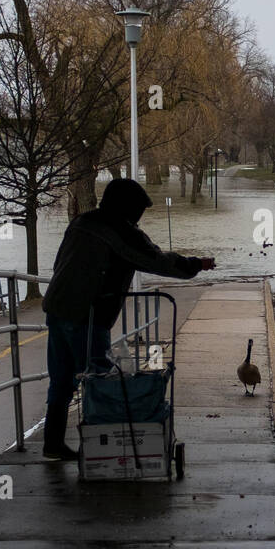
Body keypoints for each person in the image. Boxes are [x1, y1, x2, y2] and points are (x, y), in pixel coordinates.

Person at [40, 178, 215, 460]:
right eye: (138, 211)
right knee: (101, 381)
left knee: (61, 381)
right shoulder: (121, 232)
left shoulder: (81, 221)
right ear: (129, 208)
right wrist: (195, 264)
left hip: (57, 307)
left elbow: (61, 262)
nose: (138, 219)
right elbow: (158, 261)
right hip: (88, 314)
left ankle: (53, 444)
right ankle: (107, 450)